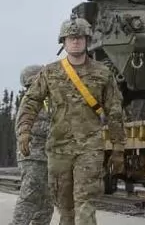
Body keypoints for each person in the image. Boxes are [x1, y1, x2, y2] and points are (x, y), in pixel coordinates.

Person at [16, 18, 126, 225]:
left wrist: (118, 147)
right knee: (65, 209)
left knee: (85, 205)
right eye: (71, 38)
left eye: (79, 38)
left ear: (87, 40)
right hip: (58, 149)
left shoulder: (102, 73)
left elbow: (115, 112)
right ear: (63, 42)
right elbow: (31, 101)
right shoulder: (49, 73)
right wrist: (24, 130)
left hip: (90, 149)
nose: (75, 41)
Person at [10, 65, 53, 225]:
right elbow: (34, 128)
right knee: (29, 197)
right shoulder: (30, 101)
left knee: (46, 203)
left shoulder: (46, 101)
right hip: (33, 158)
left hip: (46, 158)